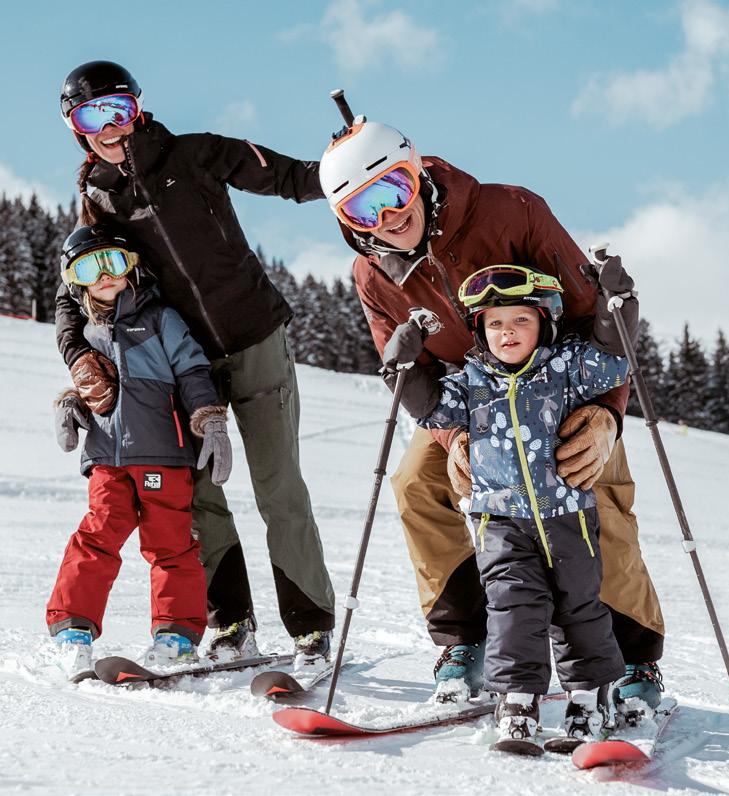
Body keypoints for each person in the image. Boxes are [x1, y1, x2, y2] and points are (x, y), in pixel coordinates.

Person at [318, 120, 666, 713]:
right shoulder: (372, 275)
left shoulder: (511, 211)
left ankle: (634, 659)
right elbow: (407, 370)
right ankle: (466, 642)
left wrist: (606, 414)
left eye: (394, 189)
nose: (387, 216)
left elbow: (594, 318)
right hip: (472, 403)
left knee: (588, 488)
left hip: (560, 389)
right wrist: (453, 438)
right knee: (417, 486)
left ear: (418, 171)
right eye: (362, 207)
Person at [54, 60, 335, 666]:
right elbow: (71, 292)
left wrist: (352, 166)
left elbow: (292, 178)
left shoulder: (196, 153)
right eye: (90, 116)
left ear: (138, 107)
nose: (109, 127)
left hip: (255, 336)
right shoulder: (98, 199)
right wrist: (79, 355)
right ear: (75, 127)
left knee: (277, 485)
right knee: (200, 497)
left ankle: (310, 627)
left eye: (118, 110)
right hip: (186, 363)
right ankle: (232, 623)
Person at [397, 262, 638, 745]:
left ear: (544, 322)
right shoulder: (470, 381)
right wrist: (400, 365)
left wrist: (619, 307)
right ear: (480, 331)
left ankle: (590, 695)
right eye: (495, 323)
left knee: (578, 608)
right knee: (512, 609)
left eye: (520, 320)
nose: (507, 332)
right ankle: (517, 699)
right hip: (499, 521)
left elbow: (614, 360)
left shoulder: (566, 367)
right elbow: (427, 409)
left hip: (568, 516)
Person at [47, 224, 231, 680]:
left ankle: (176, 636)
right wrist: (71, 401)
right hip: (106, 458)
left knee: (170, 545)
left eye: (115, 261)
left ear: (132, 267)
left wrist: (209, 417)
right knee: (96, 537)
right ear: (76, 280)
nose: (106, 274)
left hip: (163, 455)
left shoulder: (160, 318)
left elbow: (191, 370)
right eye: (93, 266)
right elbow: (91, 385)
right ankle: (73, 630)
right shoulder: (86, 332)